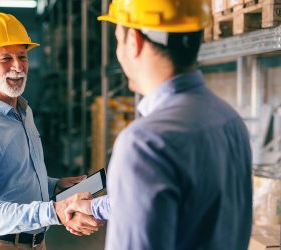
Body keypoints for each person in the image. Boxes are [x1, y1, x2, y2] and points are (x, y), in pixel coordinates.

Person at [65, 0, 253, 249]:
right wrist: (95, 207)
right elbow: (185, 205)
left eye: (118, 40)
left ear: (134, 41)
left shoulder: (144, 143)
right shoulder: (228, 118)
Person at [0, 12, 102, 250]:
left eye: (22, 56)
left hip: (35, 243)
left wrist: (53, 185)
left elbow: (16, 176)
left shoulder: (23, 110)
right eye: (6, 59)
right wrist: (54, 210)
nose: (18, 66)